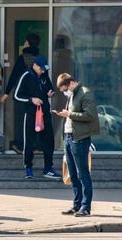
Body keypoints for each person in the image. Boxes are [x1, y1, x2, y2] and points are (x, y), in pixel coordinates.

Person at [55, 73, 100, 217]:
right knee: (73, 174)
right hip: (69, 137)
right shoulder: (73, 95)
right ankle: (77, 205)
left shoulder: (85, 93)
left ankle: (85, 207)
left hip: (79, 138)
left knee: (83, 173)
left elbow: (89, 115)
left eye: (64, 89)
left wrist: (69, 114)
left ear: (71, 84)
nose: (64, 92)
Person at [13, 56, 60, 180]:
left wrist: (50, 93)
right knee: (29, 142)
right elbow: (16, 95)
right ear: (35, 65)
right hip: (31, 114)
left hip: (45, 113)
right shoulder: (26, 75)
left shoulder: (44, 76)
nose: (43, 71)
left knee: (49, 141)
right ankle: (28, 168)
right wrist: (31, 100)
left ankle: (48, 168)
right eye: (41, 69)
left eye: (44, 69)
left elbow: (49, 88)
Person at [1, 33, 41, 153]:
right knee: (36, 121)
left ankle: (20, 145)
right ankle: (34, 145)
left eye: (25, 41)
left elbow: (14, 75)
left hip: (23, 95)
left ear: (28, 43)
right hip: (37, 95)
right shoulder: (39, 58)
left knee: (22, 120)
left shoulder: (23, 57)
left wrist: (6, 93)